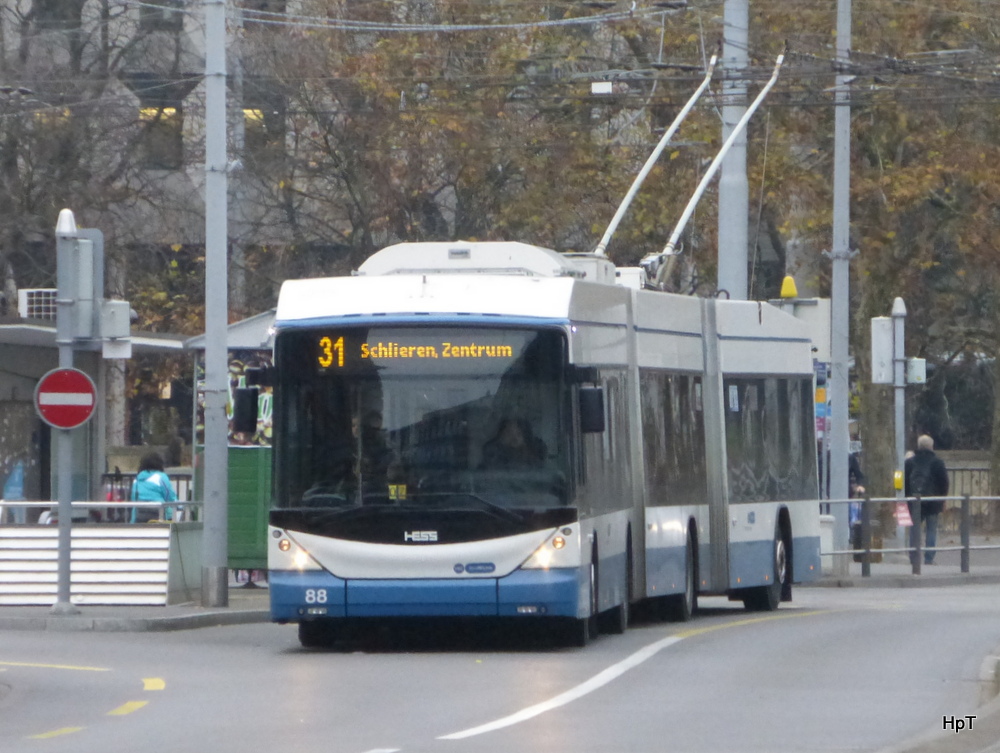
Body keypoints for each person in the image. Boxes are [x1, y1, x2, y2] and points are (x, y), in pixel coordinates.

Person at [904, 434, 949, 565]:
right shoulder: (938, 462)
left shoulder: (909, 462)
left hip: (914, 500)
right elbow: (944, 482)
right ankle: (929, 558)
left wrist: (908, 498)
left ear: (918, 446)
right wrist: (943, 499)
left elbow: (905, 482)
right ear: (931, 446)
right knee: (931, 529)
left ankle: (913, 556)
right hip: (933, 500)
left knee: (914, 529)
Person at [130, 452, 178, 523]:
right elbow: (169, 495)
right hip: (158, 513)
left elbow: (134, 498)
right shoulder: (161, 476)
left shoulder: (137, 479)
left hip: (140, 514)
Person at [482, 418, 546, 469]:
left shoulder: (535, 459)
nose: (514, 438)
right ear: (500, 436)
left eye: (518, 434)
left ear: (526, 436)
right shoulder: (492, 457)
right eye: (508, 434)